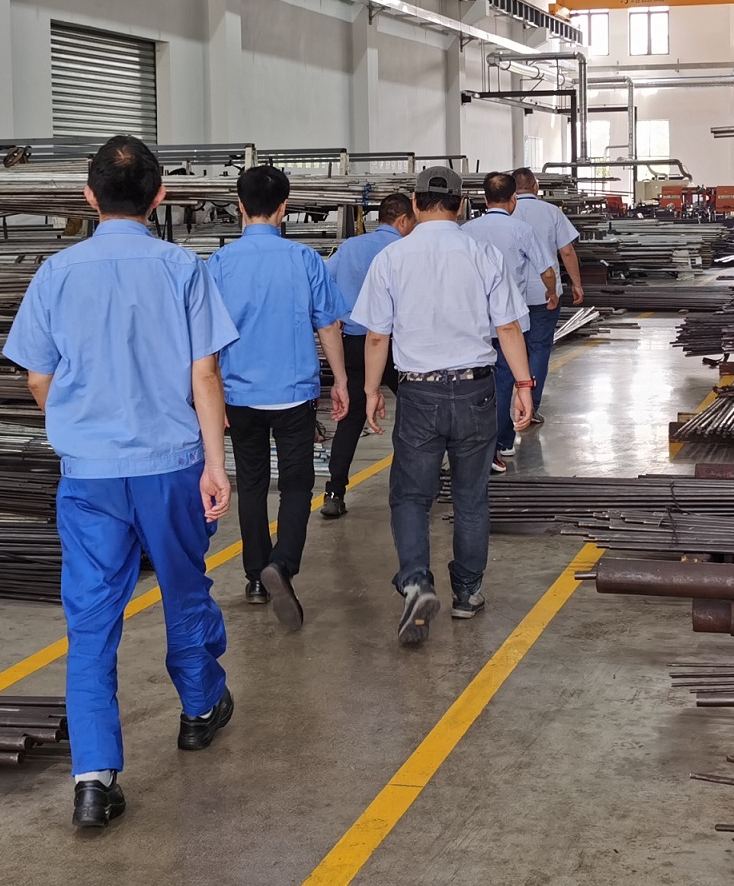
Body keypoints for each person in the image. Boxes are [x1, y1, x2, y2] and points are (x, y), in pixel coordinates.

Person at [4, 135, 239, 832]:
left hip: (90, 478)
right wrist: (215, 463)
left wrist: (83, 424)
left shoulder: (55, 273)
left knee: (91, 622)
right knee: (185, 590)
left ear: (89, 196)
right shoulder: (183, 269)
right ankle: (198, 709)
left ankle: (94, 778)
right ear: (160, 197)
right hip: (169, 467)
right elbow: (205, 374)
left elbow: (38, 378)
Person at [351, 165, 532, 646]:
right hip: (476, 391)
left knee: (412, 496)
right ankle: (467, 593)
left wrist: (371, 391)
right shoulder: (483, 254)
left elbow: (377, 335)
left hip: (419, 393)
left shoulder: (392, 258)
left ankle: (416, 582)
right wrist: (523, 384)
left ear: (414, 204)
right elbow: (508, 328)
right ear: (462, 204)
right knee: (471, 497)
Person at [206, 164, 351, 631]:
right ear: (284, 208)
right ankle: (282, 564)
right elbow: (328, 324)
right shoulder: (305, 259)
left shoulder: (219, 264)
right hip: (293, 394)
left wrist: (208, 400)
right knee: (296, 484)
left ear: (239, 207)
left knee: (250, 484)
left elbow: (205, 341)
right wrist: (341, 380)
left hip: (239, 395)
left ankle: (255, 577)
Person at [320, 192, 416, 517]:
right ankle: (413, 483)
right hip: (394, 344)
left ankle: (334, 492)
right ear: (403, 220)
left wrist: (339, 313)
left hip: (352, 343)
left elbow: (324, 282)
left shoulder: (350, 247)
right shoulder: (404, 250)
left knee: (351, 418)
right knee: (415, 410)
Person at [464, 171, 557, 471]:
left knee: (476, 385)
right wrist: (551, 292)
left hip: (476, 324)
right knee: (505, 383)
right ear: (513, 199)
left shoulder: (466, 230)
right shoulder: (522, 230)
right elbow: (546, 270)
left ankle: (477, 446)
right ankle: (502, 442)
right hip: (513, 323)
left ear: (484, 199)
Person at [509, 167, 582, 426]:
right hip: (545, 293)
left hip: (509, 296)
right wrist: (576, 284)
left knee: (508, 348)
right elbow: (567, 251)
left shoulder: (506, 213)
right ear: (536, 187)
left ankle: (504, 407)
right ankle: (532, 406)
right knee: (539, 348)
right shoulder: (551, 212)